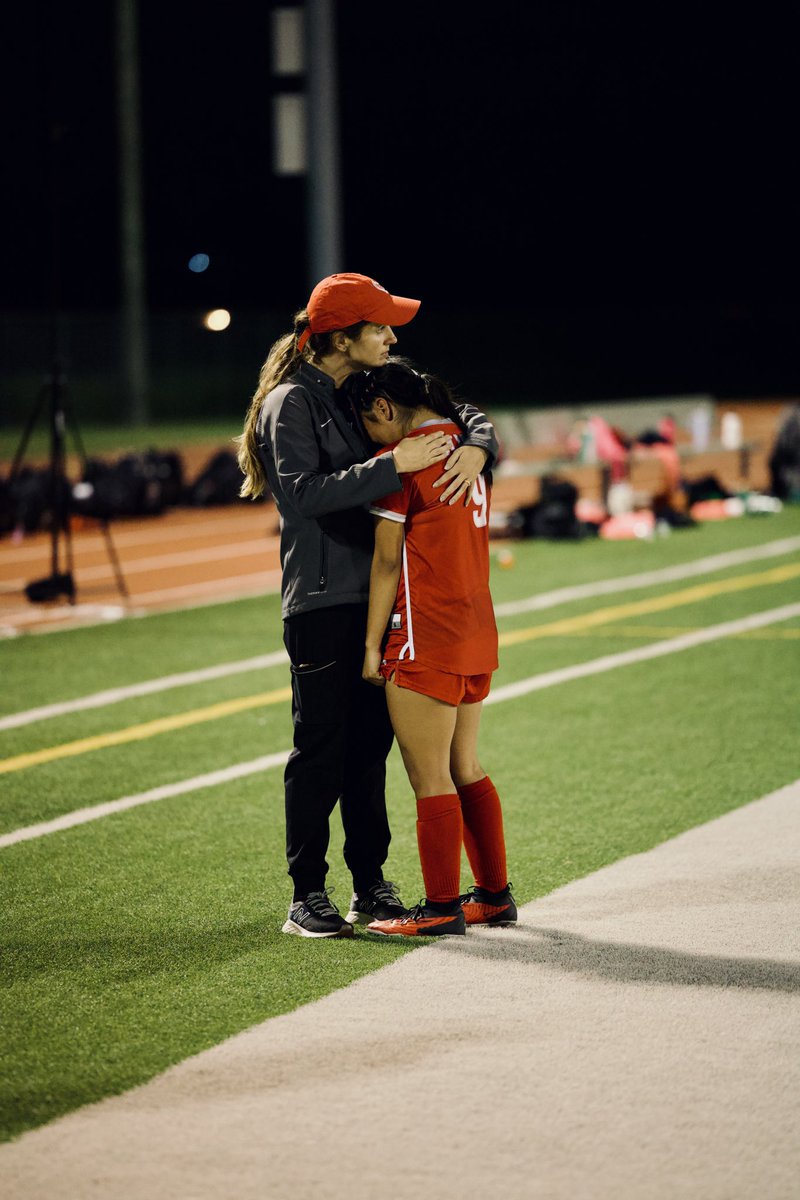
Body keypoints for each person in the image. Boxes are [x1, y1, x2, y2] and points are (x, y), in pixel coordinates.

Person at [236, 274, 498, 938]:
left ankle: (371, 883)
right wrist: (396, 464)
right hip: (323, 603)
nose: (391, 335)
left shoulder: (362, 388)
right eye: (379, 326)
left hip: (384, 606)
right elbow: (301, 495)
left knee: (370, 753)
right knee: (319, 749)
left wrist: (477, 443)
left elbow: (456, 408)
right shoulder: (291, 401)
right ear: (342, 336)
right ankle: (306, 893)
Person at [356, 358, 515, 937]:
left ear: (384, 409)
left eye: (368, 423)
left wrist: (373, 645)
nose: (370, 437)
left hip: (427, 634)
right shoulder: (468, 446)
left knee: (430, 778)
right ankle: (494, 896)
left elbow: (384, 562)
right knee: (464, 765)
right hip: (477, 629)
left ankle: (441, 907)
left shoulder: (399, 463)